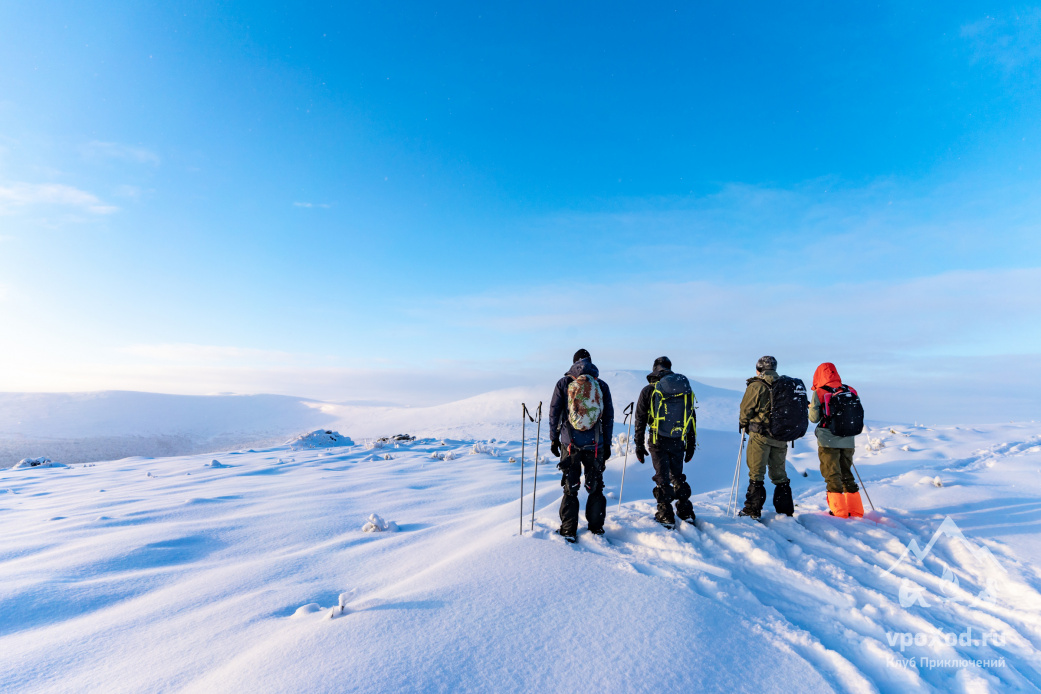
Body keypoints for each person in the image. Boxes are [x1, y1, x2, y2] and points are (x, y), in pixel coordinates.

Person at [548, 349, 615, 542]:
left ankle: (568, 529)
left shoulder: (564, 383)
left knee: (571, 487)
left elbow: (554, 413)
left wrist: (554, 439)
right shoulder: (601, 385)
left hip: (570, 444)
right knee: (595, 487)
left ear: (573, 363)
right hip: (595, 445)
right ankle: (596, 528)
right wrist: (607, 443)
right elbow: (608, 417)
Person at [633, 356, 697, 527]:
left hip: (657, 439)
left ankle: (665, 513)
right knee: (677, 476)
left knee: (662, 478)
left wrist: (638, 445)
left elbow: (640, 419)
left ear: (655, 369)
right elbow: (691, 417)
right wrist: (691, 443)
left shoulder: (649, 390)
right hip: (678, 437)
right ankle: (685, 511)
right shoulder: (683, 389)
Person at [737, 355, 795, 518]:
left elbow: (746, 410)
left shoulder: (757, 385)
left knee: (756, 473)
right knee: (780, 474)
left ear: (759, 369)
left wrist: (744, 424)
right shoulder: (785, 384)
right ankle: (785, 511)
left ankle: (752, 510)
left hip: (760, 435)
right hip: (781, 436)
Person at [809, 362, 865, 518]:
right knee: (847, 473)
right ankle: (856, 510)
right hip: (848, 438)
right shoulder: (849, 390)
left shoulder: (820, 392)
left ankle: (839, 512)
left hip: (828, 439)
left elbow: (814, 418)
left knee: (832, 473)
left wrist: (812, 407)